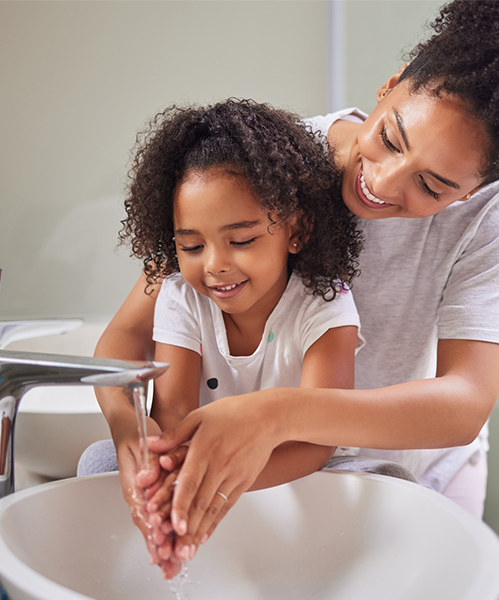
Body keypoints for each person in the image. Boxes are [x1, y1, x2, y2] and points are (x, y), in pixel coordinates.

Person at [91, 0, 499, 571]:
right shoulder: (269, 165)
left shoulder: (487, 218)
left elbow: (465, 402)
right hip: (263, 464)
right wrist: (128, 432)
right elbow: (126, 335)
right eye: (390, 138)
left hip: (411, 474)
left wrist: (279, 414)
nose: (382, 183)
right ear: (389, 88)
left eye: (432, 186)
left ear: (470, 191)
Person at [82, 99, 365, 577]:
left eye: (241, 240)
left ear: (295, 231)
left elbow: (318, 442)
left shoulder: (325, 305)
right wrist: (171, 487)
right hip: (203, 458)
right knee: (98, 462)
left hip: (302, 468)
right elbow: (171, 412)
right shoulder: (181, 297)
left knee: (391, 481)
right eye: (191, 246)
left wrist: (219, 484)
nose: (214, 264)